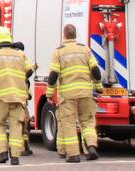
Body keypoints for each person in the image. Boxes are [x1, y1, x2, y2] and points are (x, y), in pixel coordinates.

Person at [47, 24, 102, 163]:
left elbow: (54, 74)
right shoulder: (85, 49)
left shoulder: (58, 52)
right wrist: (98, 87)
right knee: (88, 122)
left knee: (69, 123)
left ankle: (73, 155)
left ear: (64, 35)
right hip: (86, 92)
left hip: (68, 95)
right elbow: (95, 69)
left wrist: (49, 93)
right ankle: (91, 147)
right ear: (75, 35)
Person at [0, 26, 34, 165]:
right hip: (18, 97)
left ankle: (3, 152)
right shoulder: (20, 54)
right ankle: (15, 157)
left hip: (0, 98)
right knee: (16, 126)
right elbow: (29, 72)